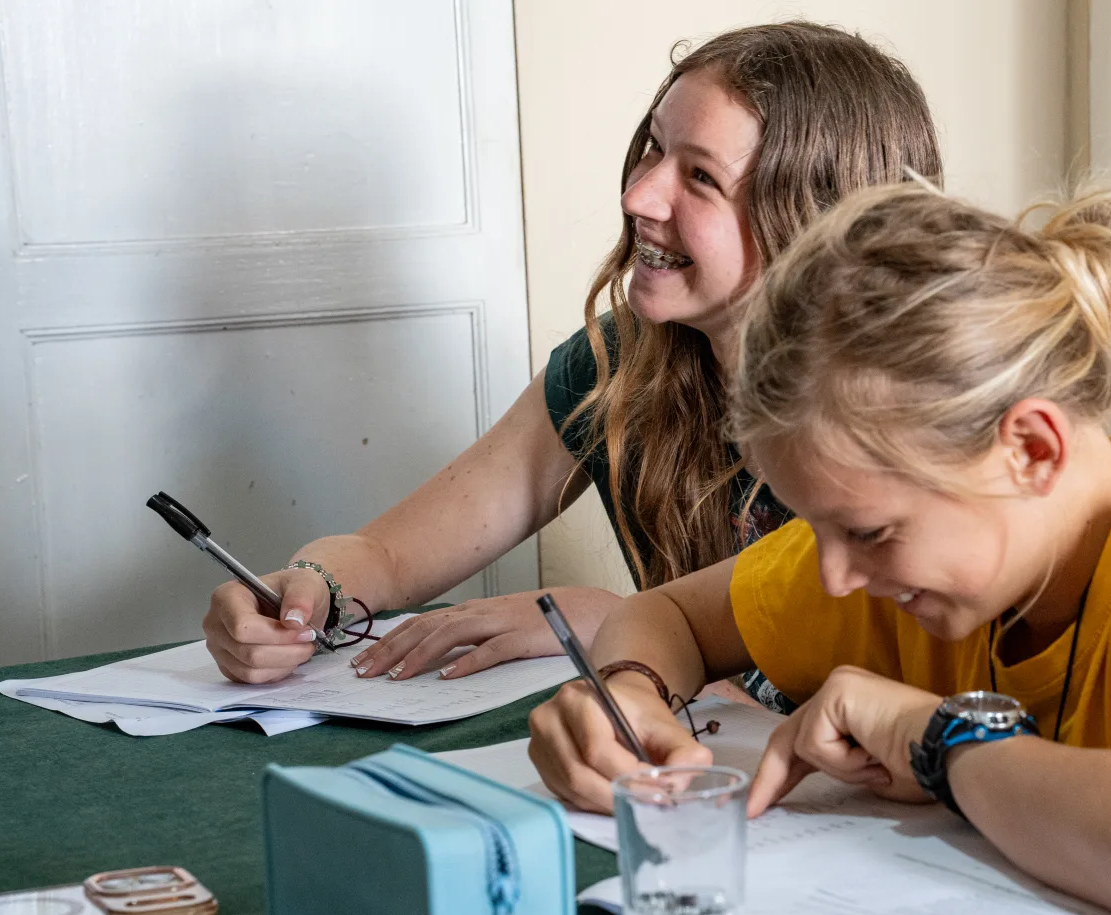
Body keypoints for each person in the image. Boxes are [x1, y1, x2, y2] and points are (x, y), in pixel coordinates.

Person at [201, 22, 942, 688]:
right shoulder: (618, 361)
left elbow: (895, 687)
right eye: (655, 147)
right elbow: (388, 557)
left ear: (815, 220)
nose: (640, 195)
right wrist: (307, 588)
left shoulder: (926, 413)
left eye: (701, 177)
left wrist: (613, 619)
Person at [527, 181, 1111, 915]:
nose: (835, 576)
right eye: (820, 528)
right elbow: (667, 613)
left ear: (1030, 450)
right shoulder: (892, 550)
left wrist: (938, 738)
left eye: (866, 533)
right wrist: (628, 696)